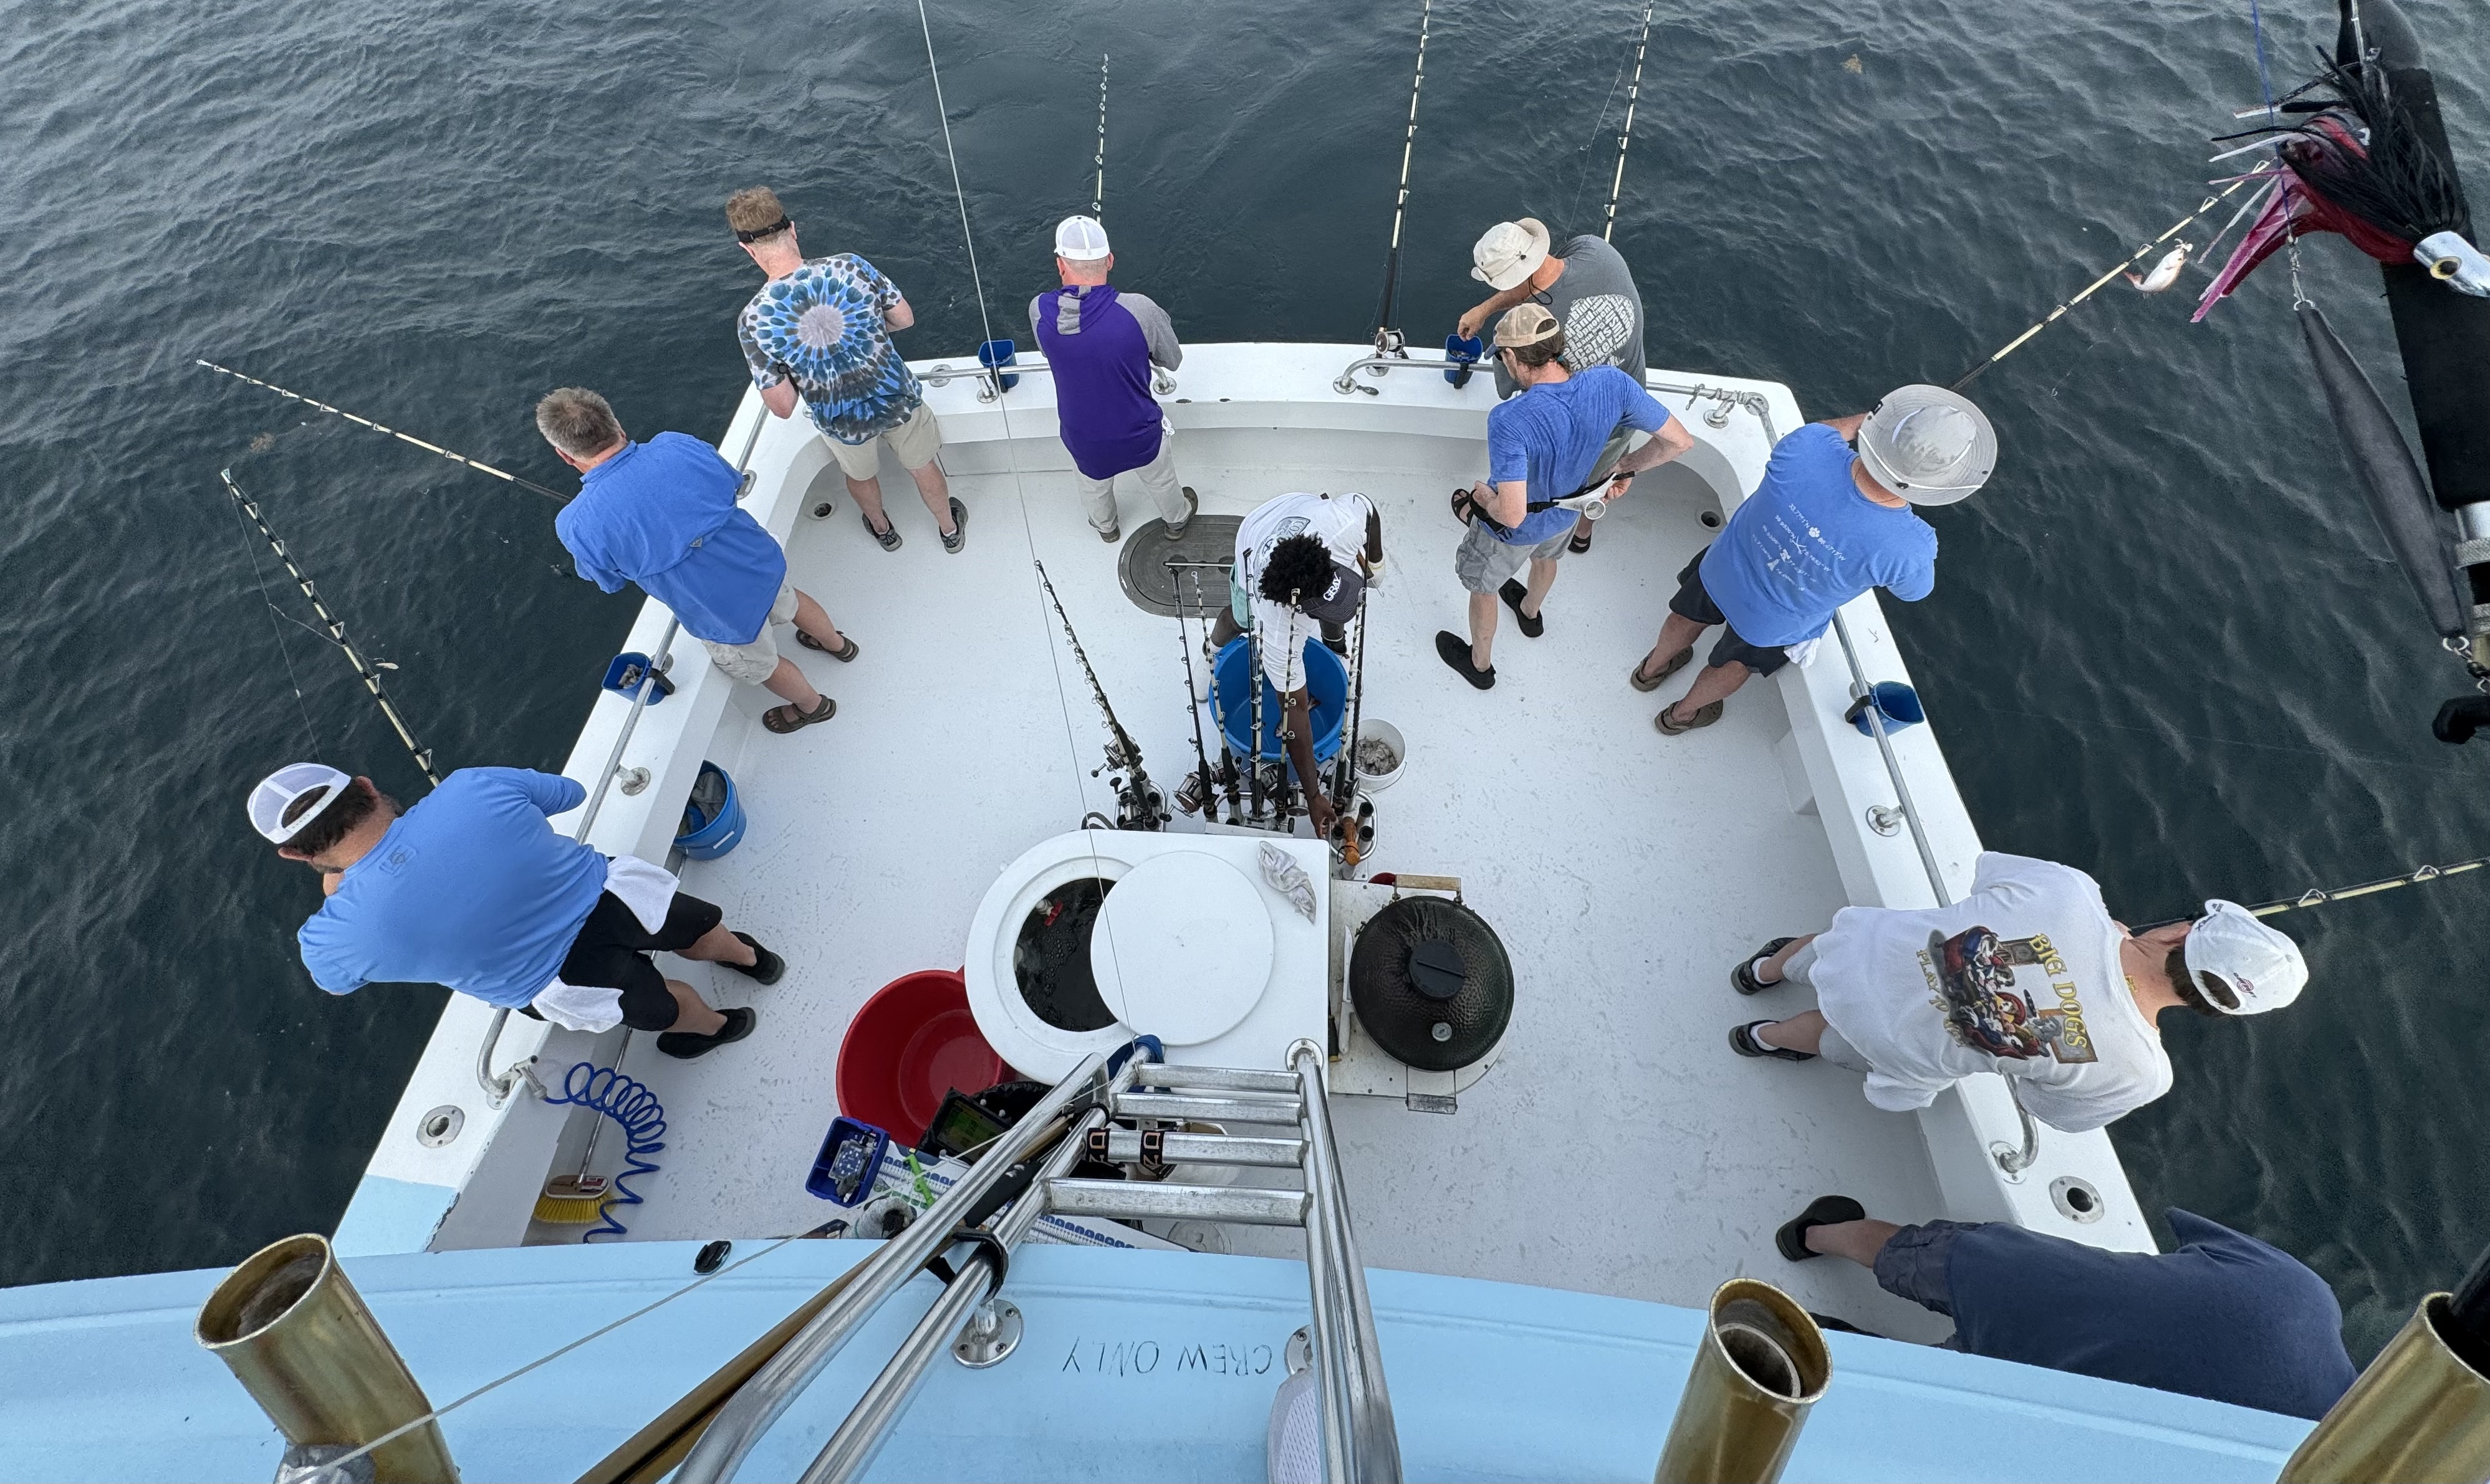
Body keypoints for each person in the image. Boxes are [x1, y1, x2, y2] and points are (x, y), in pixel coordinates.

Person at [1725, 853, 2309, 1133]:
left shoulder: (2072, 891)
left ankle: (1764, 973)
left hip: (1864, 954)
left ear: (2181, 931)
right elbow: (2042, 1106)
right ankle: (1765, 1037)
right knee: (1838, 1033)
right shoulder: (2143, 1075)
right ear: (2214, 1008)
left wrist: (2097, 934)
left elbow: (1985, 874)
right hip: (1892, 1048)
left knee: (1831, 947)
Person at [254, 764, 781, 1060]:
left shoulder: (334, 936)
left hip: (563, 980)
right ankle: (751, 959)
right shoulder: (469, 787)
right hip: (615, 896)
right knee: (693, 927)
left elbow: (334, 982)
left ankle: (713, 1027)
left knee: (665, 1001)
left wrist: (337, 895)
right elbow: (569, 793)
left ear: (295, 853)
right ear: (366, 786)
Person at [1775, 1197, 2357, 1420]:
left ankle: (1814, 1235)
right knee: (1938, 1384)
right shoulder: (2270, 1462)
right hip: (2024, 1389)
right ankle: (1829, 1354)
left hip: (2012, 1280)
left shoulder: (2303, 1291)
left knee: (1910, 1252)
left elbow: (2190, 1240)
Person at [1634, 385, 1985, 735]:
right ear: (1940, 485)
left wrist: (1873, 422)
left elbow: (1830, 431)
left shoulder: (1809, 447)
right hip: (1771, 624)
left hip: (1721, 569)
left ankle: (1650, 671)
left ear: (1881, 431)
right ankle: (1680, 717)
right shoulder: (1913, 547)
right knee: (1736, 663)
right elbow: (1914, 593)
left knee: (1685, 615)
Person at [539, 388, 852, 736]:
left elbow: (610, 582)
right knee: (793, 603)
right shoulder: (676, 445)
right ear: (617, 425)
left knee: (765, 666)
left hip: (721, 614)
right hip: (761, 564)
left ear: (565, 456)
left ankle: (814, 707)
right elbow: (732, 482)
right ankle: (838, 645)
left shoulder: (575, 524)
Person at [1437, 305, 1693, 689]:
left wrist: (1484, 498)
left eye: (1503, 357)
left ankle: (1480, 665)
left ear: (1512, 357)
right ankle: (1530, 613)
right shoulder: (1612, 383)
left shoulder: (1509, 419)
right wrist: (1625, 467)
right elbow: (1679, 441)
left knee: (1484, 588)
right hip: (1568, 514)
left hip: (1511, 533)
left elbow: (1511, 515)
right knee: (1547, 559)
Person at [725, 186, 964, 554]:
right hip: (896, 398)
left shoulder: (753, 320)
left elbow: (784, 406)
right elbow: (904, 318)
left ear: (746, 248)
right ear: (793, 229)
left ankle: (884, 530)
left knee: (861, 475)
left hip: (841, 421)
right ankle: (949, 530)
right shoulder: (850, 265)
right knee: (922, 466)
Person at [1458, 217, 1649, 555]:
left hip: (1580, 427)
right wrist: (1485, 309)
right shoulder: (1599, 250)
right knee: (1601, 478)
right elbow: (1544, 275)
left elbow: (1510, 389)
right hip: (1627, 406)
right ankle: (1583, 533)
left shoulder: (1530, 333)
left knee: (1562, 481)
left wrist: (1491, 314)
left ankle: (1539, 536)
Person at [1209, 491, 1383, 836]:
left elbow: (1368, 507)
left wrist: (1376, 564)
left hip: (1293, 510)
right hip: (1254, 538)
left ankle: (1335, 641)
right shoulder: (1276, 628)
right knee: (1239, 618)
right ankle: (1210, 649)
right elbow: (1294, 709)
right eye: (1318, 612)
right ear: (1297, 611)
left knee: (1338, 607)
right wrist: (1314, 793)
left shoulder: (1342, 526)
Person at [1029, 215, 1194, 542]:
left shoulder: (1038, 310)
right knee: (1162, 481)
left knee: (1093, 486)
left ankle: (1107, 529)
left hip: (1083, 437)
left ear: (1061, 265)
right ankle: (1177, 520)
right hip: (1139, 432)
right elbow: (1172, 361)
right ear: (1110, 260)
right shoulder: (1140, 309)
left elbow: (1052, 351)